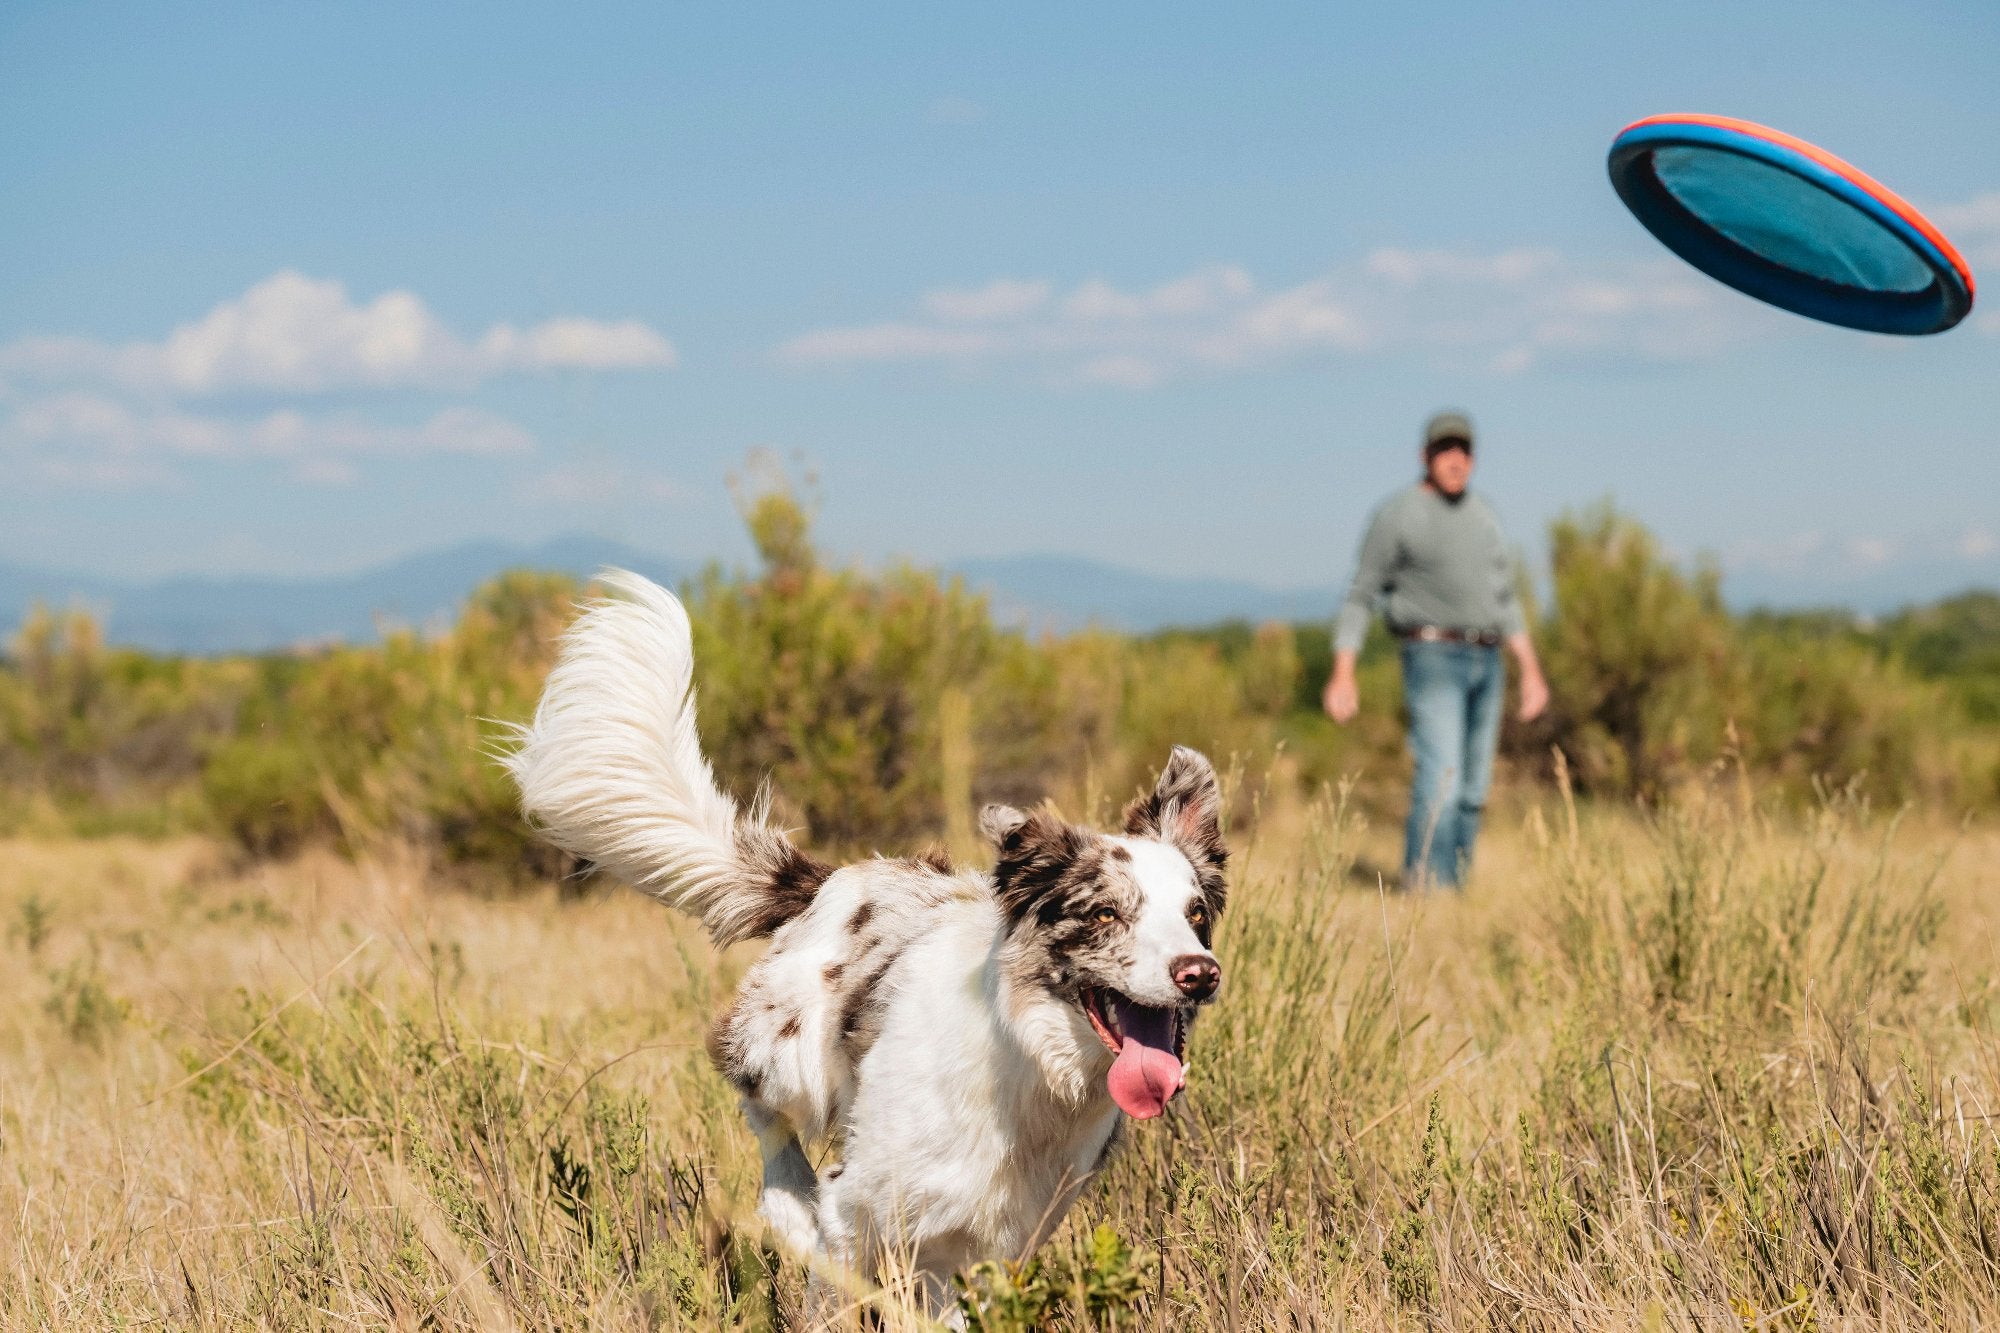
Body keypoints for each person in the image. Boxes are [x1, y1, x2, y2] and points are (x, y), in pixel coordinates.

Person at [1323, 410, 1549, 890]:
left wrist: (1530, 670)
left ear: (1473, 458)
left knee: (1473, 790)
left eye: (1463, 451)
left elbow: (1504, 599)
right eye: (1445, 450)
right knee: (1441, 779)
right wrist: (1344, 672)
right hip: (1432, 658)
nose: (1455, 460)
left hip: (1488, 660)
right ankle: (1427, 888)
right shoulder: (1397, 515)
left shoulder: (1483, 516)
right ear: (1425, 456)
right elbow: (1362, 593)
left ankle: (1456, 886)